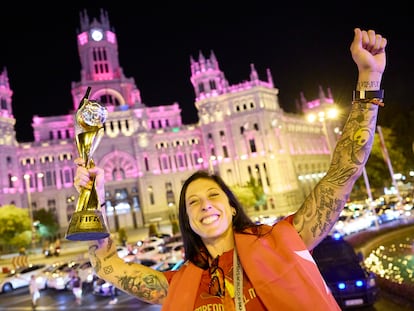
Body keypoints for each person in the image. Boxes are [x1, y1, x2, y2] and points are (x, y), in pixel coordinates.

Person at [73, 28, 387, 310]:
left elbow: (343, 170)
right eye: (192, 202)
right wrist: (92, 201)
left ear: (232, 207)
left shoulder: (282, 242)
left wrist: (369, 80)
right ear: (188, 221)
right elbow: (107, 264)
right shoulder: (179, 284)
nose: (204, 204)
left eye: (213, 194)